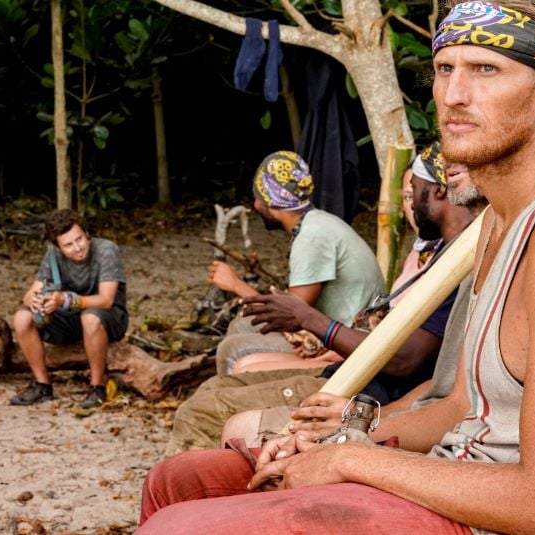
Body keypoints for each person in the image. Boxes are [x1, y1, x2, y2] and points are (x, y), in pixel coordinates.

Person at [138, 1, 535, 532]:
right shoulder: (495, 220)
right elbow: (462, 407)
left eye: (486, 69)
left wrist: (351, 460)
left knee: (178, 527)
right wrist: (338, 437)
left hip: (516, 517)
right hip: (459, 470)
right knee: (178, 480)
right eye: (445, 68)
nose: (454, 94)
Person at [162, 144, 481, 454]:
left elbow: (403, 361)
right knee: (214, 388)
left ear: (440, 190)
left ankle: (206, 486)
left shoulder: (461, 263)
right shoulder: (442, 253)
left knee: (203, 408)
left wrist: (304, 318)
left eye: (413, 191)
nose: (408, 205)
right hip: (352, 368)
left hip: (365, 388)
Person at [210, 150, 385, 374]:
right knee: (242, 324)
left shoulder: (311, 237)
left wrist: (235, 284)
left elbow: (292, 313)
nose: (255, 205)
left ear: (271, 201)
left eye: (258, 197)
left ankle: (230, 394)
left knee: (231, 349)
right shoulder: (318, 223)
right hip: (342, 330)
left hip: (347, 343)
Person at [10, 209, 128, 408]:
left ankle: (97, 387)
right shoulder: (53, 255)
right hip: (70, 319)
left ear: (86, 233)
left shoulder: (106, 250)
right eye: (68, 245)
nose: (77, 248)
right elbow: (29, 294)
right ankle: (42, 385)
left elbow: (106, 300)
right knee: (22, 317)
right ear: (58, 246)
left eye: (79, 239)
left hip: (108, 318)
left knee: (90, 317)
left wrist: (66, 300)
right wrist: (37, 301)